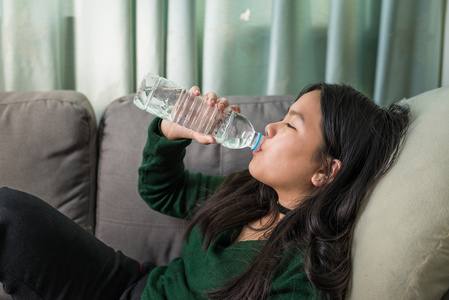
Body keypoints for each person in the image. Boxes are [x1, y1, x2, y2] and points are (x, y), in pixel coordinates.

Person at [0, 82, 409, 300]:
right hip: (132, 283)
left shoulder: (303, 272)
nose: (269, 127)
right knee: (7, 212)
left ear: (326, 171)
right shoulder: (251, 192)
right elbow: (161, 190)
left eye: (290, 124)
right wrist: (171, 132)